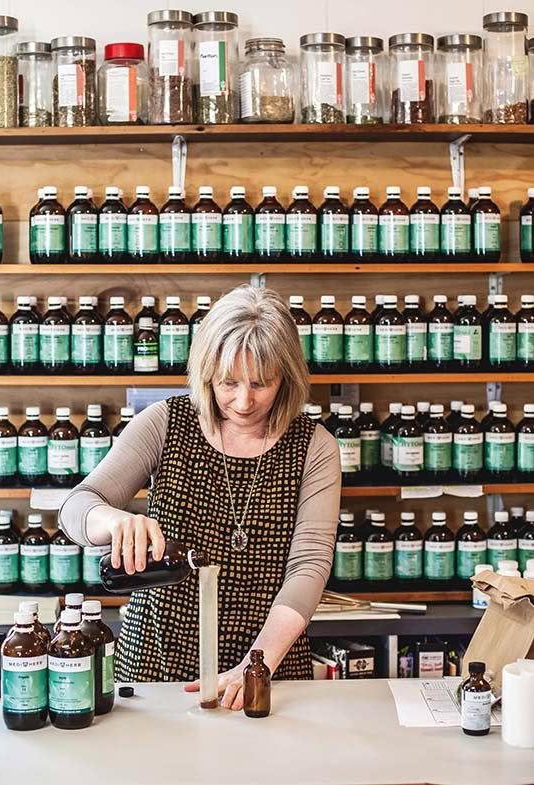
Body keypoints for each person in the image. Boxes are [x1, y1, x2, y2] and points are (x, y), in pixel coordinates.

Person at [59, 285, 341, 711]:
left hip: (266, 667)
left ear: (287, 377)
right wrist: (113, 521)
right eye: (228, 382)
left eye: (261, 384)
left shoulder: (314, 446)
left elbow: (310, 564)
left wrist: (256, 665)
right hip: (157, 665)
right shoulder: (165, 422)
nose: (243, 401)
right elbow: (77, 507)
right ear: (206, 371)